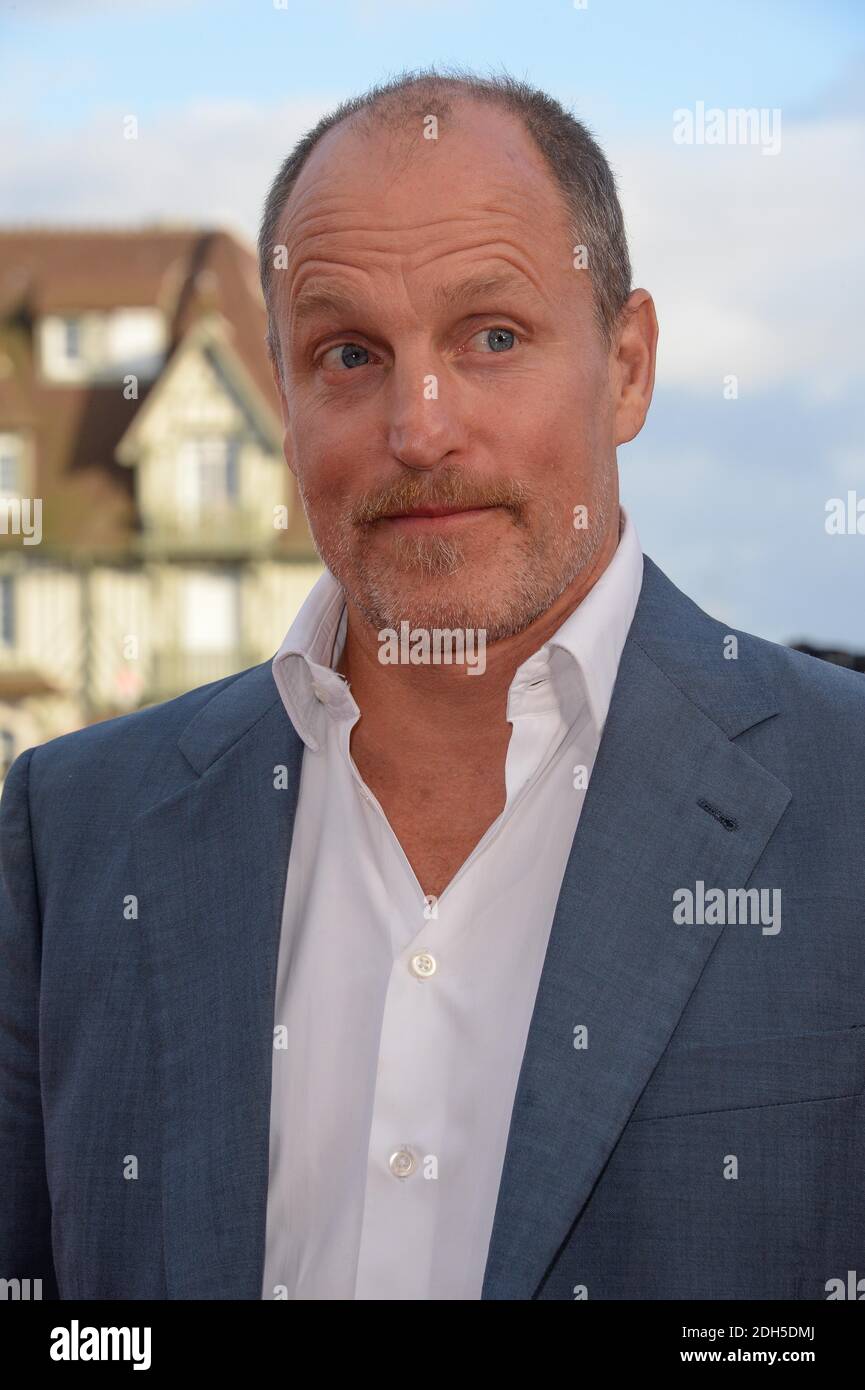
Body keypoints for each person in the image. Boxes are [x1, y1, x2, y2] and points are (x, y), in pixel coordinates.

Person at [2, 69, 863, 1302]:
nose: (420, 427)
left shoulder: (846, 801)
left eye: (493, 337)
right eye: (349, 353)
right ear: (286, 397)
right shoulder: (69, 834)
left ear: (627, 368)